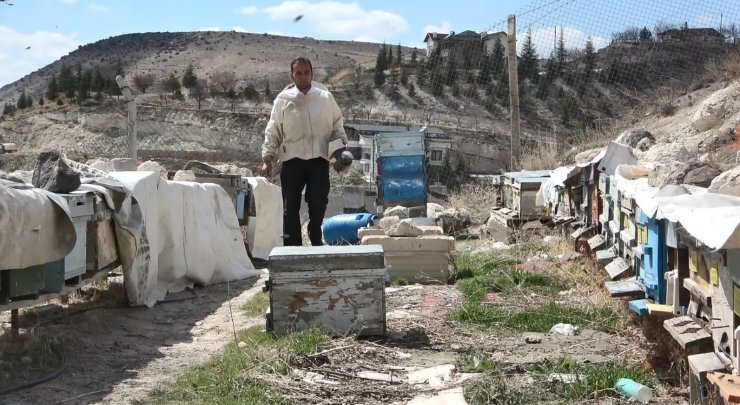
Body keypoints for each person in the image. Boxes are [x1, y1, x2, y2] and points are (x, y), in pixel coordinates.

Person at [261, 57, 348, 246]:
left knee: (318, 202)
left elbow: (337, 123)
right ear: (292, 75)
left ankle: (314, 232)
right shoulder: (283, 100)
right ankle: (293, 249)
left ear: (312, 74)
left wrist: (341, 145)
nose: (302, 77)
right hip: (292, 160)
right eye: (298, 73)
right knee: (290, 207)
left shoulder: (325, 97)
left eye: (306, 72)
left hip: (319, 159)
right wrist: (268, 157)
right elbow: (273, 128)